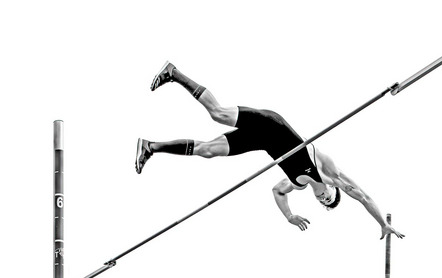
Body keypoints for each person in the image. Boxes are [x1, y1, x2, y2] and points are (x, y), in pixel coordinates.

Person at [135, 61, 404, 240]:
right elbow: (364, 197)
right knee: (218, 114)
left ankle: (151, 147)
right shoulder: (329, 172)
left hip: (260, 142)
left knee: (208, 151)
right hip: (272, 125)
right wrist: (381, 223)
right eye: (330, 199)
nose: (324, 200)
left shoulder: (295, 185)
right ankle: (174, 72)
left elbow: (276, 191)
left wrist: (289, 216)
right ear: (334, 190)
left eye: (324, 204)